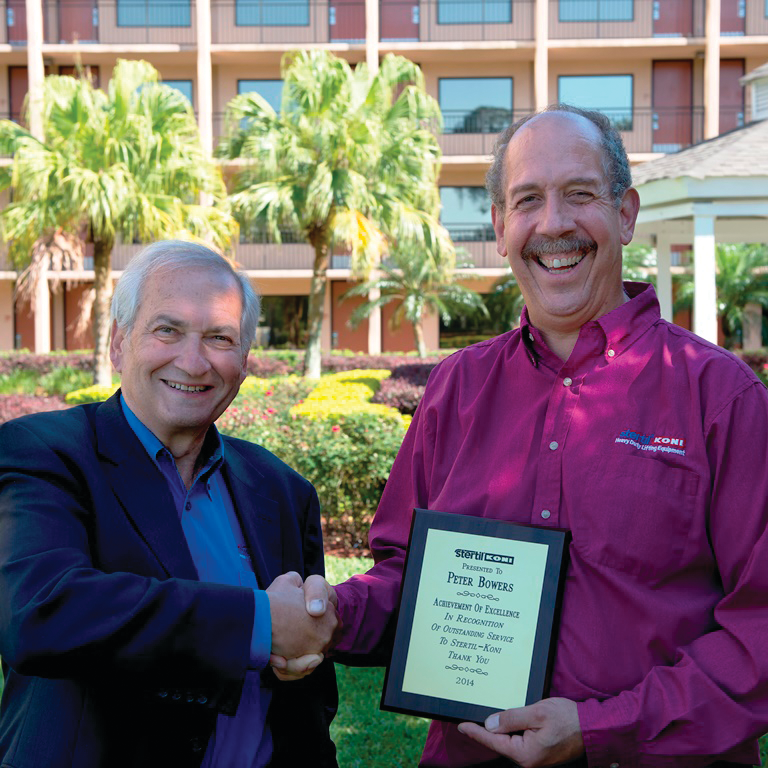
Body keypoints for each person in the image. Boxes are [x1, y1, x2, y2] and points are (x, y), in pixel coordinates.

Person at [295, 105, 768, 767]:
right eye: (527, 201)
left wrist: (605, 725)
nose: (554, 224)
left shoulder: (719, 396)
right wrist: (332, 613)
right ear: (499, 226)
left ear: (626, 215)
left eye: (580, 194)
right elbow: (409, 579)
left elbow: (761, 625)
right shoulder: (456, 389)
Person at [0, 240, 339, 768]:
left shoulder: (281, 488)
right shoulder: (44, 453)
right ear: (118, 342)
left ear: (245, 362)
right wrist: (259, 623)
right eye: (168, 330)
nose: (193, 360)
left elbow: (307, 683)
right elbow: (41, 612)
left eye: (219, 338)